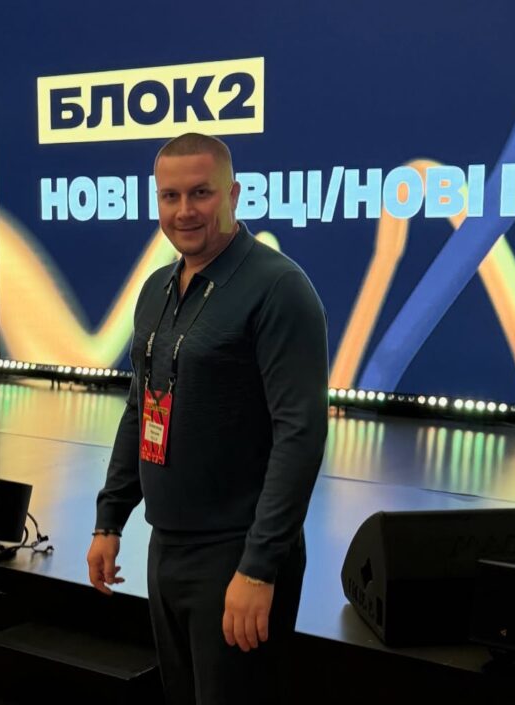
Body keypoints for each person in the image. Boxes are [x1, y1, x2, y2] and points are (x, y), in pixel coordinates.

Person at [87, 132, 328, 705]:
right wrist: (109, 519)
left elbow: (300, 435)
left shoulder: (279, 288)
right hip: (166, 546)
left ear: (233, 194)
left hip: (235, 553)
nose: (184, 211)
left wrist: (259, 568)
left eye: (201, 193)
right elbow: (141, 407)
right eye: (169, 196)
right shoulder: (156, 290)